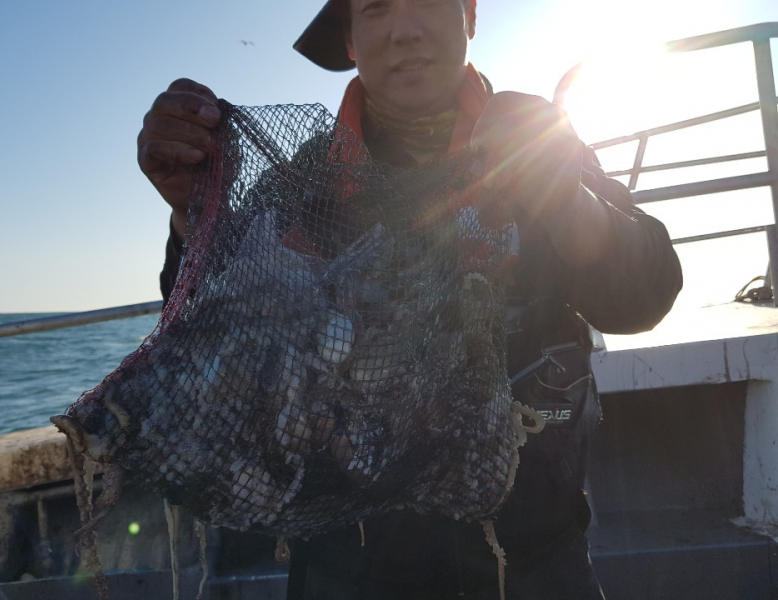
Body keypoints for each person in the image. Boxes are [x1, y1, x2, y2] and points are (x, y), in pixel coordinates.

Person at [138, 0, 682, 598]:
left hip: (530, 559)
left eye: (428, 1)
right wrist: (194, 213)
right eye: (374, 9)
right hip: (347, 569)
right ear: (349, 39)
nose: (404, 30)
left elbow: (642, 301)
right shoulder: (303, 181)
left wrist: (567, 200)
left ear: (469, 17)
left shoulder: (545, 147)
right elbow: (203, 322)